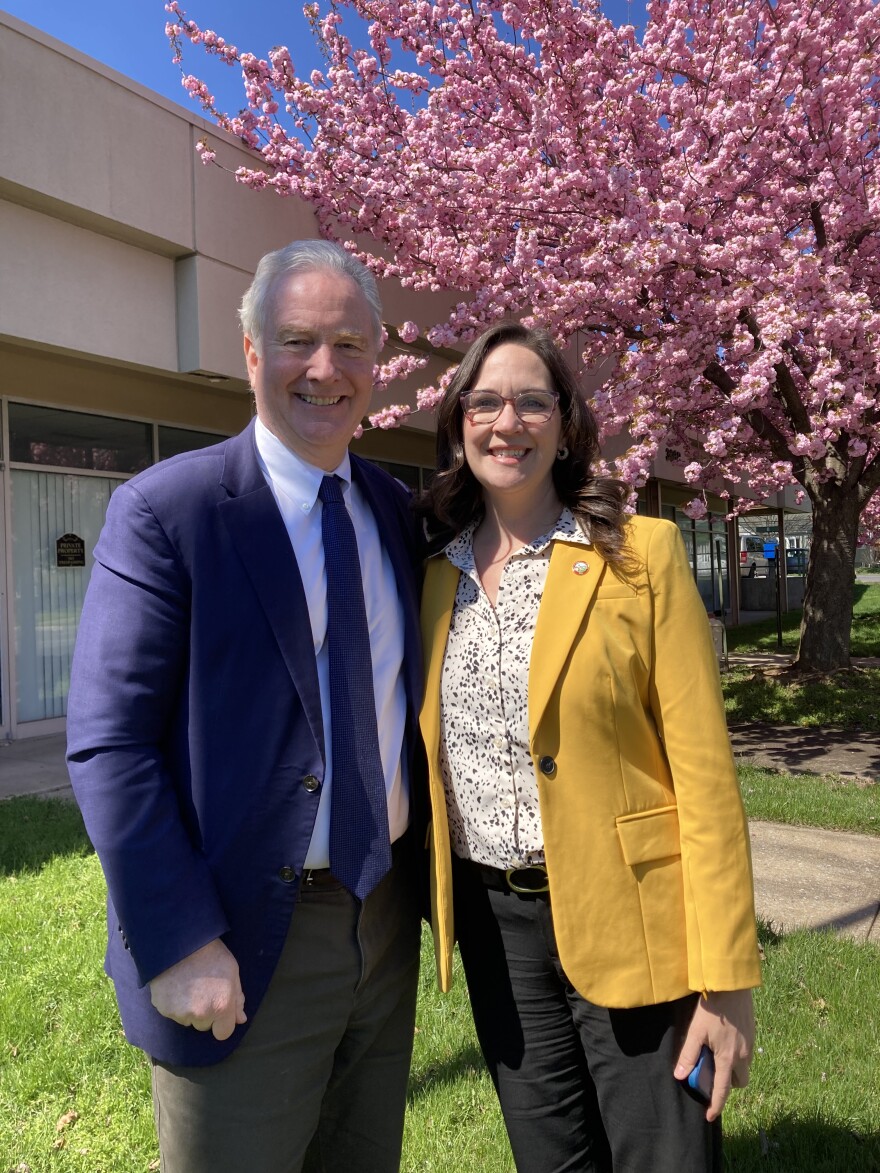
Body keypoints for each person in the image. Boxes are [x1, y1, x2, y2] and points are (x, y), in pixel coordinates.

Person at [66, 240, 424, 1173]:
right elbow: (110, 745)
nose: (324, 368)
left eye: (350, 344)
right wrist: (179, 939)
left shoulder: (395, 510)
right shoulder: (169, 510)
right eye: (297, 339)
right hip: (235, 939)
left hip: (382, 926)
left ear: (377, 362)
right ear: (251, 352)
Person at [418, 322, 762, 1172]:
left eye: (533, 401)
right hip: (499, 933)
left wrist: (728, 980)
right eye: (486, 401)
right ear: (460, 422)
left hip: (636, 920)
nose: (509, 422)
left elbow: (707, 779)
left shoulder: (640, 554)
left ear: (567, 424)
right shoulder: (435, 576)